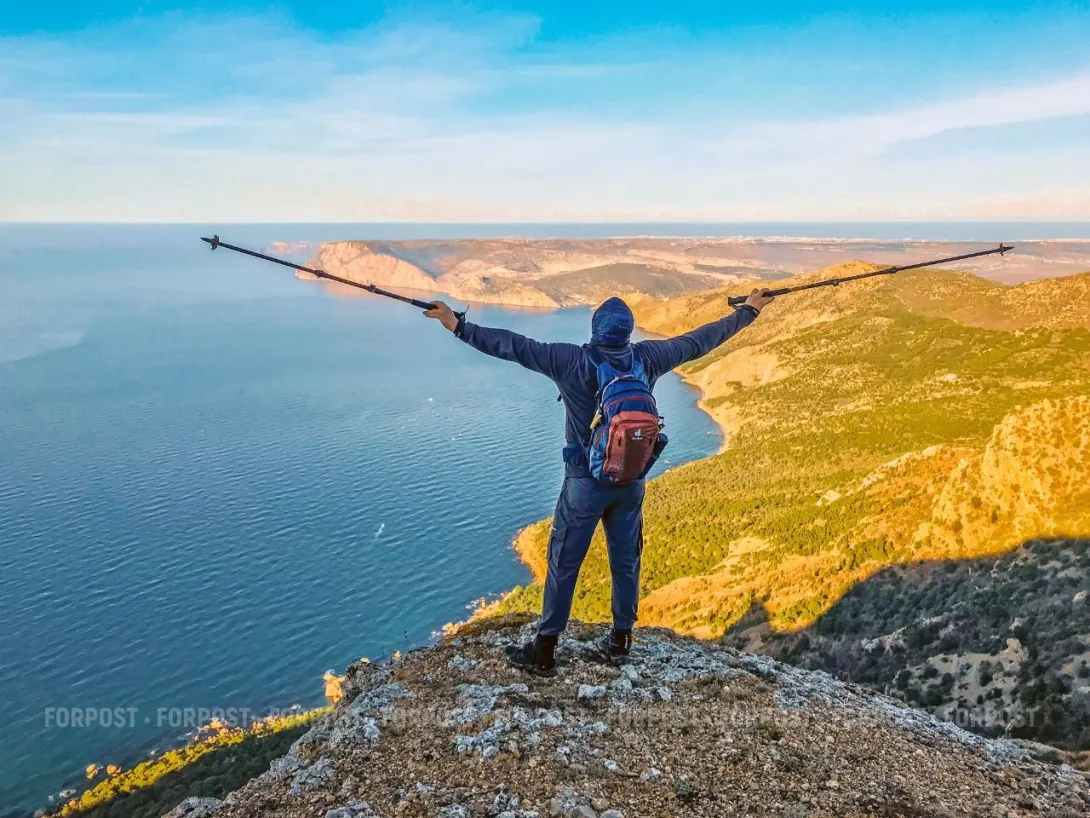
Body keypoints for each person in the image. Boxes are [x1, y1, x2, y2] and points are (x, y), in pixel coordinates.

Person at [425, 288, 774, 675]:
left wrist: (455, 324)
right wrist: (749, 312)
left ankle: (545, 649)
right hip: (630, 481)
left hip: (584, 484)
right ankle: (620, 642)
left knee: (564, 562)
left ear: (595, 329)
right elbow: (701, 340)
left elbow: (513, 345)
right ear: (628, 332)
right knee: (626, 561)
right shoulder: (647, 357)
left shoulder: (570, 359)